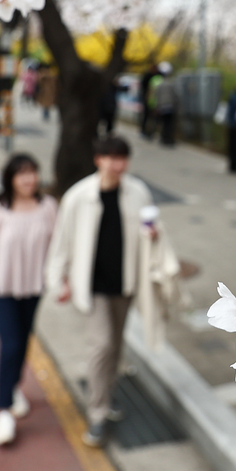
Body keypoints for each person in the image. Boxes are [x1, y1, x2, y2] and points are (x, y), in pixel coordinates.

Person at [45, 136, 157, 447]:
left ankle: (106, 394)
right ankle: (97, 414)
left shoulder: (138, 192)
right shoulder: (78, 196)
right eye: (111, 158)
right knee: (102, 345)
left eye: (122, 158)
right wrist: (57, 280)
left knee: (116, 345)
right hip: (92, 285)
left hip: (125, 283)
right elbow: (62, 241)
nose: (117, 165)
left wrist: (153, 235)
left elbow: (151, 229)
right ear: (98, 160)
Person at [0, 154, 58, 445]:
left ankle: (14, 386)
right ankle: (3, 411)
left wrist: (62, 279)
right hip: (2, 289)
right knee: (11, 345)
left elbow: (57, 246)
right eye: (22, 174)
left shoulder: (48, 207)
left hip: (33, 288)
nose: (29, 179)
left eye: (32, 173)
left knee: (24, 340)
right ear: (10, 179)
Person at [153, 63, 178, 146]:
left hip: (162, 106)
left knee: (164, 123)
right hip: (170, 106)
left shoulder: (160, 85)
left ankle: (163, 138)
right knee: (169, 123)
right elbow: (175, 95)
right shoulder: (171, 84)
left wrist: (157, 106)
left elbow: (157, 96)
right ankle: (168, 139)